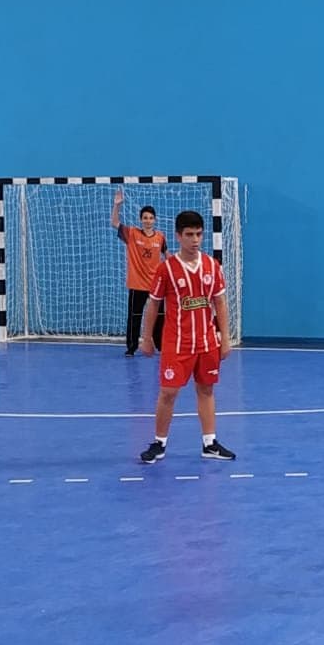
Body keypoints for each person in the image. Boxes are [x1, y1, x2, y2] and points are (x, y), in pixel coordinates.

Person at [137, 210, 235, 463]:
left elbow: (221, 304)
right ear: (178, 236)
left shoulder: (213, 267)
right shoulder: (166, 269)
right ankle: (159, 443)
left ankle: (209, 442)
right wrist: (146, 338)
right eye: (189, 235)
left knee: (206, 389)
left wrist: (225, 338)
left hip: (206, 343)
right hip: (177, 344)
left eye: (199, 234)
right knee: (168, 393)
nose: (195, 240)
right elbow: (153, 305)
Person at [111, 189, 166, 356]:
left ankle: (161, 346)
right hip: (137, 284)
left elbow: (167, 255)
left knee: (159, 317)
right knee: (135, 317)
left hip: (156, 285)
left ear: (154, 220)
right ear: (141, 220)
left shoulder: (160, 237)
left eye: (150, 218)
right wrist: (117, 206)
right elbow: (114, 222)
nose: (148, 220)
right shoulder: (132, 234)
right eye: (145, 218)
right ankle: (132, 347)